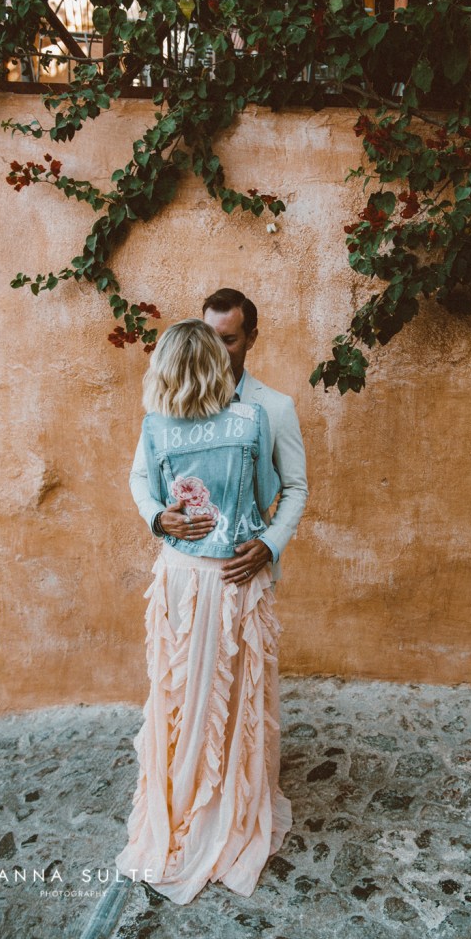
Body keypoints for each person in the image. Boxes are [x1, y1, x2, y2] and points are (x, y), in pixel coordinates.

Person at [115, 319, 293, 903]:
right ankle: (227, 803)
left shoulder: (155, 427)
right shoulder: (251, 421)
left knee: (180, 692)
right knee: (233, 694)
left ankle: (179, 798)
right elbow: (263, 496)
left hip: (179, 578)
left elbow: (145, 483)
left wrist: (162, 517)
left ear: (164, 368)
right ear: (216, 366)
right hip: (233, 577)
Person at [130, 288, 308, 583]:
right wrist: (158, 517)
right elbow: (140, 475)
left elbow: (295, 487)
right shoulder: (172, 406)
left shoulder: (275, 407)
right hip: (185, 565)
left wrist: (270, 543)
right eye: (210, 338)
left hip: (246, 568)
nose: (216, 350)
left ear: (251, 339)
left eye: (228, 340)